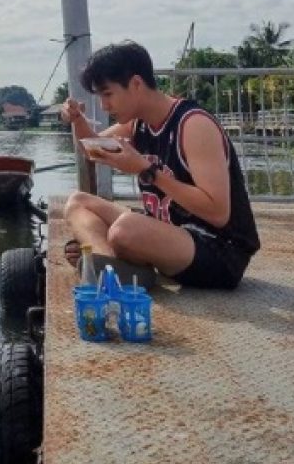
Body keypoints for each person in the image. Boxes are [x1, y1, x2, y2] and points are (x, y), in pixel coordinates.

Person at [62, 41, 260, 289]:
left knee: (125, 230)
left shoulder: (193, 125)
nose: (104, 106)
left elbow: (218, 213)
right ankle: (111, 267)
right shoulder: (138, 124)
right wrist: (77, 120)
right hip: (170, 234)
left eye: (108, 94)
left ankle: (114, 267)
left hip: (219, 251)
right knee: (78, 203)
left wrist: (146, 170)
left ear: (136, 84)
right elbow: (91, 149)